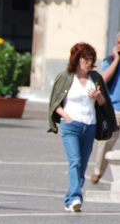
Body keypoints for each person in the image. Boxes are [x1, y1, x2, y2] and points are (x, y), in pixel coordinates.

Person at [48, 42, 115, 212]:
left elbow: (103, 104)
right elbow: (55, 103)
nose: (88, 62)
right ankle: (76, 197)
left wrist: (99, 97)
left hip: (90, 126)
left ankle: (70, 199)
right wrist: (66, 117)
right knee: (75, 161)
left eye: (91, 58)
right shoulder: (65, 77)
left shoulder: (95, 78)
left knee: (83, 165)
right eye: (85, 58)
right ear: (77, 59)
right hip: (71, 126)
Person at [90, 32, 120, 183]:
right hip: (114, 109)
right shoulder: (110, 60)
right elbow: (102, 79)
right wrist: (116, 60)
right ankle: (98, 171)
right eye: (118, 43)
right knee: (105, 142)